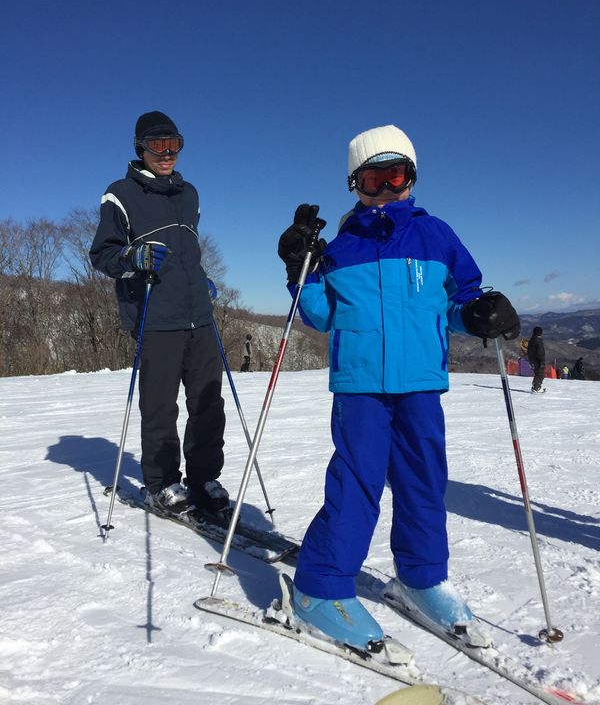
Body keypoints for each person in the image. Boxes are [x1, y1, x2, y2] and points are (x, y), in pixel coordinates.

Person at [277, 124, 520, 651]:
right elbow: (318, 315)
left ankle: (421, 578)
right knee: (357, 482)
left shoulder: (437, 237)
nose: (385, 187)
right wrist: (301, 269)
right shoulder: (341, 247)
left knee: (423, 482)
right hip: (360, 386)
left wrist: (479, 313)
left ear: (412, 179)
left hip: (420, 385)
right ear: (354, 183)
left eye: (397, 174)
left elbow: (460, 300)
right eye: (373, 176)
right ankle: (320, 588)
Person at [90, 111, 229, 515]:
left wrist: (198, 279)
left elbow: (190, 252)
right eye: (157, 145)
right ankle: (162, 483)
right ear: (141, 147)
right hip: (155, 316)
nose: (166, 154)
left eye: (174, 145)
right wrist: (133, 256)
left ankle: (203, 477)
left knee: (207, 402)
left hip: (198, 315)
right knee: (160, 406)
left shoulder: (190, 194)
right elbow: (103, 254)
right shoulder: (120, 193)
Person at [527, 326, 546, 393]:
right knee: (541, 374)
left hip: (533, 360)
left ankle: (535, 385)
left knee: (537, 374)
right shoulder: (538, 341)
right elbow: (540, 352)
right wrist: (542, 362)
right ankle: (536, 388)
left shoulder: (532, 340)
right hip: (538, 361)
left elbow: (529, 351)